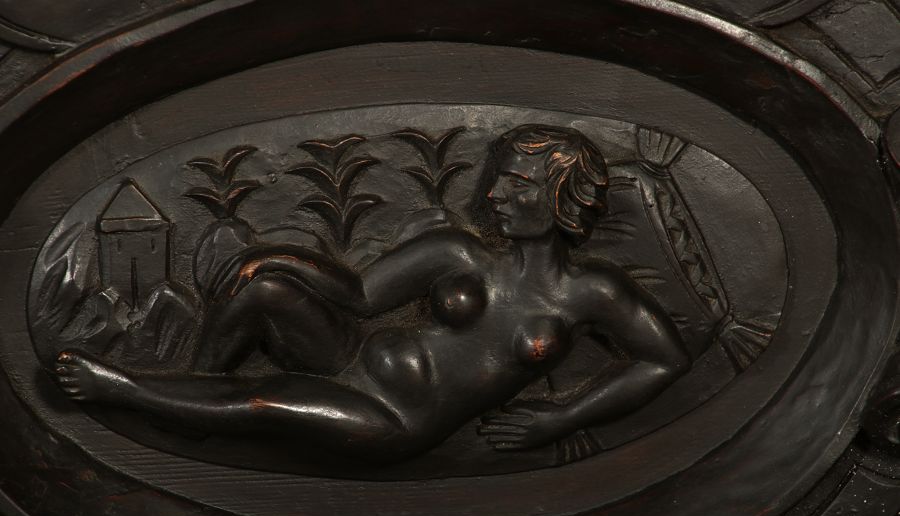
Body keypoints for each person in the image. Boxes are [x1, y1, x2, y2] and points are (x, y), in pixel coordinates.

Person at [54, 125, 690, 463]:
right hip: (349, 354)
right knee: (267, 290)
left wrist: (564, 417)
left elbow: (664, 359)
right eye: (498, 180)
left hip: (393, 420)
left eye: (518, 184)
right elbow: (358, 293)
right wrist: (274, 256)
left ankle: (128, 391)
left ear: (561, 197)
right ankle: (193, 396)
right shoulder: (458, 251)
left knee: (266, 401)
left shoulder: (589, 291)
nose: (496, 194)